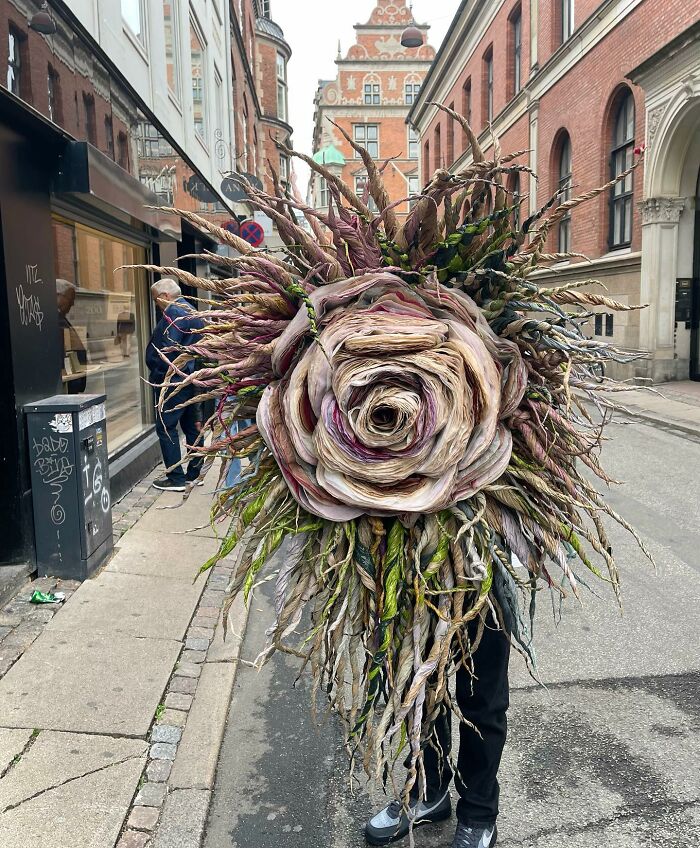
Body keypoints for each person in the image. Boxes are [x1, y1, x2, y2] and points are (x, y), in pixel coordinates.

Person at [365, 617, 509, 848]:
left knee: (482, 692)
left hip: (484, 584)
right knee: (419, 685)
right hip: (421, 586)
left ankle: (478, 814)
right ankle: (428, 790)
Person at [146, 278, 204, 492]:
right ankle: (195, 474)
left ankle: (176, 479)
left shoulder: (174, 313)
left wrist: (159, 376)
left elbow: (169, 351)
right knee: (192, 427)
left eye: (155, 300)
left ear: (164, 296)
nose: (156, 304)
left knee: (166, 428)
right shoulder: (191, 311)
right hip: (191, 379)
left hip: (172, 383)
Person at [57, 279, 88, 393]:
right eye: (70, 299)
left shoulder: (61, 319)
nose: (72, 303)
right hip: (66, 384)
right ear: (57, 296)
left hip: (72, 381)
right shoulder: (55, 320)